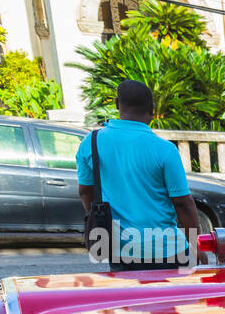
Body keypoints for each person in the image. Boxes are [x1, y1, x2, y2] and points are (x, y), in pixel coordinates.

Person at [76, 79, 206, 268]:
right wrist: (196, 246)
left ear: (117, 104)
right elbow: (183, 204)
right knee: (174, 299)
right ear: (152, 109)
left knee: (132, 298)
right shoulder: (165, 150)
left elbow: (85, 192)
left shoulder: (91, 142)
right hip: (167, 250)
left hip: (120, 250)